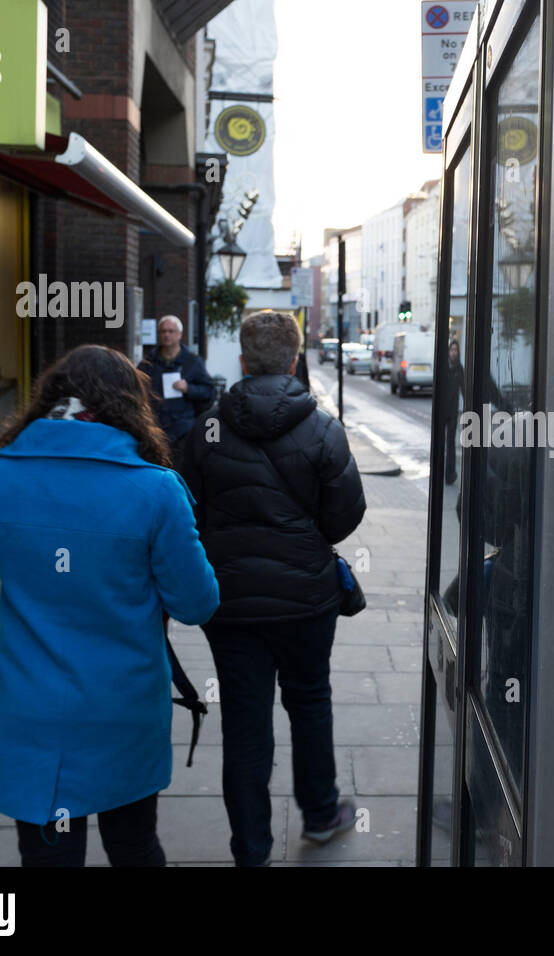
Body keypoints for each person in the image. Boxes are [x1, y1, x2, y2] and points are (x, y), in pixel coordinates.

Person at [0, 344, 220, 866]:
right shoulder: (156, 489)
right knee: (135, 846)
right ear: (127, 404)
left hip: (30, 711)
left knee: (49, 858)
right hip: (124, 707)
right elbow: (197, 603)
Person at [178, 310, 367, 865]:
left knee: (244, 720)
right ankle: (321, 814)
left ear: (241, 361)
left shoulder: (208, 428)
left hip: (231, 601)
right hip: (307, 600)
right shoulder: (324, 428)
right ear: (294, 359)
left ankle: (253, 850)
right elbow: (344, 516)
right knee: (310, 700)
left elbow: (189, 511)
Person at [138, 315, 215, 462]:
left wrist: (189, 389)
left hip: (183, 432)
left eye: (171, 331)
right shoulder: (148, 362)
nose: (167, 335)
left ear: (179, 335)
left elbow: (209, 392)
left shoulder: (193, 362)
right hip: (155, 429)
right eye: (163, 331)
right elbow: (136, 388)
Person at [441, 339, 464, 484]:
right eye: (452, 350)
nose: (453, 352)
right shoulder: (443, 367)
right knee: (440, 443)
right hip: (442, 411)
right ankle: (438, 470)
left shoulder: (459, 368)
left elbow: (464, 388)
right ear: (448, 352)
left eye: (456, 350)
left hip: (453, 412)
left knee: (450, 444)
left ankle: (450, 474)